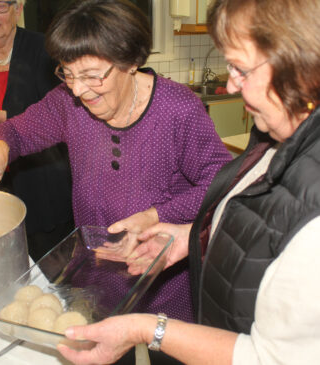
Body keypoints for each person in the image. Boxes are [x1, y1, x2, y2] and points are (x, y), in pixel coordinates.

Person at [49, 0, 320, 364]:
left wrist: (146, 330)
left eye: (240, 69)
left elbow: (269, 356)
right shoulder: (274, 144)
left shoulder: (313, 216)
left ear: (298, 67)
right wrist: (189, 237)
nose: (230, 86)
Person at [0, 0, 231, 325]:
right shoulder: (68, 102)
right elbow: (18, 129)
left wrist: (156, 215)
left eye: (92, 76)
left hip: (164, 281)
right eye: (68, 73)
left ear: (130, 61)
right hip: (95, 278)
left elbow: (222, 184)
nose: (78, 90)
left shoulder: (179, 110)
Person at [0, 0, 74, 260]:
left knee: (45, 261)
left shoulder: (44, 49)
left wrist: (7, 116)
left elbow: (60, 109)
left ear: (17, 9)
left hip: (39, 178)